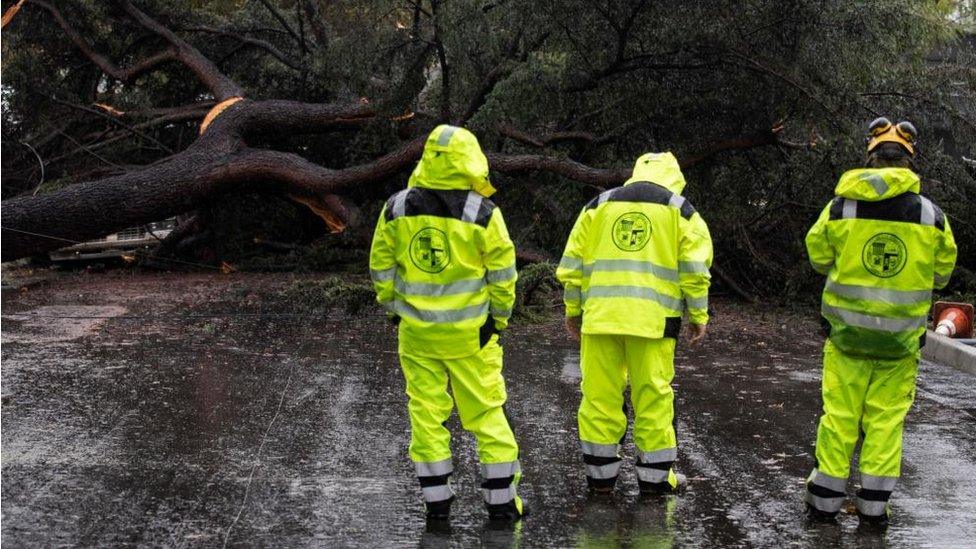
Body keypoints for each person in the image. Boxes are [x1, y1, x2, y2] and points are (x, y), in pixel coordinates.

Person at [804, 117, 958, 527]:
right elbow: (941, 275)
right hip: (899, 347)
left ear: (870, 158)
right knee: (885, 424)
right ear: (910, 161)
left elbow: (818, 257)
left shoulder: (841, 208)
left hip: (847, 340)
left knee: (838, 420)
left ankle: (823, 506)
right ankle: (873, 512)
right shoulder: (930, 216)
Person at [368, 125, 525, 522]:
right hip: (472, 336)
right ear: (471, 159)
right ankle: (502, 504)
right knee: (487, 414)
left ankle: (436, 505)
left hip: (417, 335)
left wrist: (393, 308)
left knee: (425, 415)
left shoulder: (397, 208)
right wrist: (499, 321)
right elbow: (503, 276)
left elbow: (381, 268)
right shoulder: (483, 213)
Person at [556, 152, 713, 496]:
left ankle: (600, 480)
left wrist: (573, 309)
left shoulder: (598, 206)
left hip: (600, 321)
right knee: (653, 399)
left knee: (598, 398)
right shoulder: (680, 210)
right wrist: (698, 316)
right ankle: (656, 483)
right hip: (653, 325)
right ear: (674, 177)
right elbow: (695, 271)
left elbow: (573, 263)